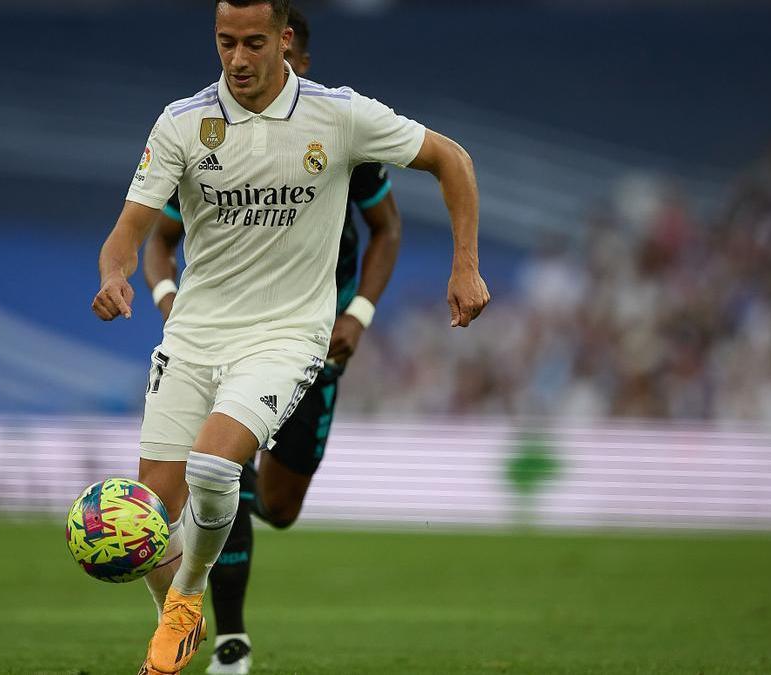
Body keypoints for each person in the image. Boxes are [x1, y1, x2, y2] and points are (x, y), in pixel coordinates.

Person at [91, 1, 489, 672]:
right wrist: (114, 275)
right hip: (193, 335)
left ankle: (189, 601)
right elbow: (131, 231)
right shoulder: (183, 123)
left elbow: (452, 159)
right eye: (225, 43)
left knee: (216, 467)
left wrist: (466, 264)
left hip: (286, 335)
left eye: (252, 43)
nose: (238, 59)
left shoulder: (339, 115)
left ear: (284, 40)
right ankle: (175, 617)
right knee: (148, 518)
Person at [140, 8, 404, 673]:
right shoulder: (215, 147)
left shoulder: (340, 137)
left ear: (295, 59)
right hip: (229, 336)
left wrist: (361, 311)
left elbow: (388, 230)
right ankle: (227, 637)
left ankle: (231, 477)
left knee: (278, 507)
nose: (248, 69)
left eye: (272, 54)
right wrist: (170, 301)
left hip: (314, 338)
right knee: (214, 471)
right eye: (232, 47)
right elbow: (160, 241)